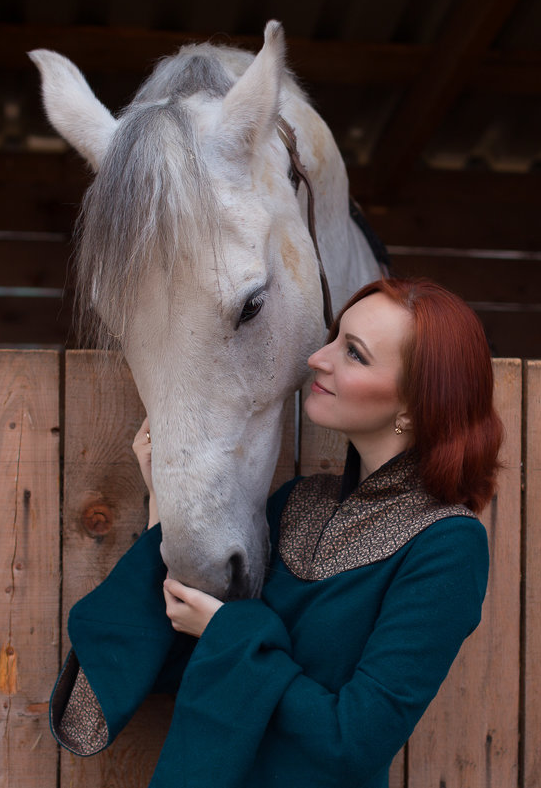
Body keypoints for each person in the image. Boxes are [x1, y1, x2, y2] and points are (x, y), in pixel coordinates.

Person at [49, 278, 503, 788]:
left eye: (353, 354)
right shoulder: (298, 503)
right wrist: (167, 501)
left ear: (414, 406)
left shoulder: (447, 546)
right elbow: (184, 660)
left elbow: (352, 742)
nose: (318, 358)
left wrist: (229, 632)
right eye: (334, 337)